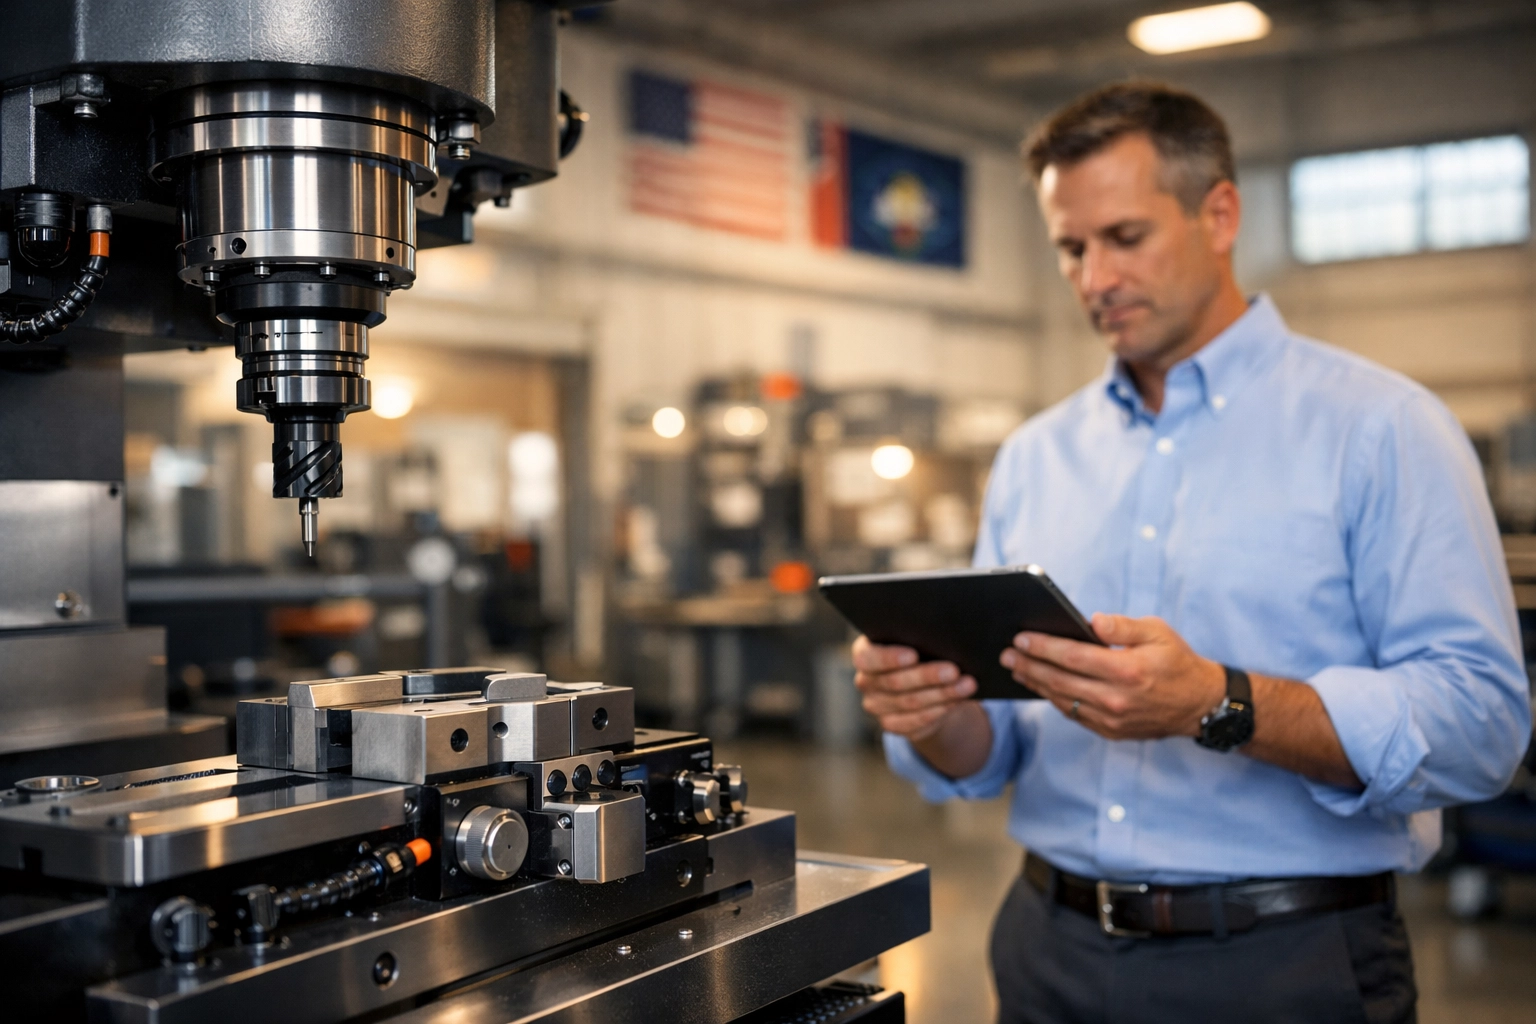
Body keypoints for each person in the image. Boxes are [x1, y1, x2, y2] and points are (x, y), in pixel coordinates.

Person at [852, 82, 1531, 1024]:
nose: (1093, 279)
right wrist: (925, 710)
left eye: (1124, 238)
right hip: (1047, 953)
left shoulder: (1382, 430)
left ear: (1219, 215)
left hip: (1283, 967)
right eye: (1070, 247)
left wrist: (1218, 702)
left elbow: (1481, 724)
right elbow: (990, 751)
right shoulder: (1036, 457)